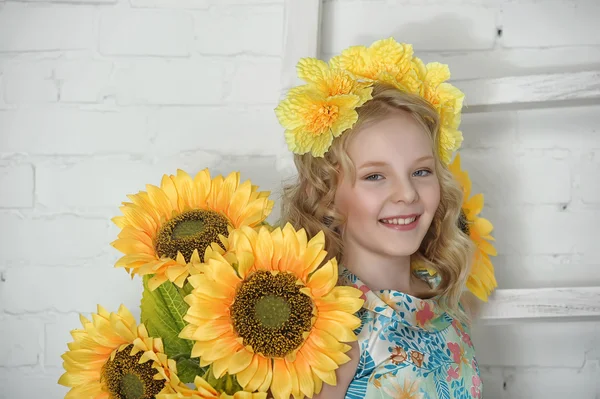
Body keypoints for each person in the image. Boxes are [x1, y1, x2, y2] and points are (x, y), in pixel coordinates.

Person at [276, 38, 483, 399]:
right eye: (375, 176)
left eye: (421, 171)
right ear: (324, 194)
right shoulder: (332, 332)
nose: (407, 194)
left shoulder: (441, 293)